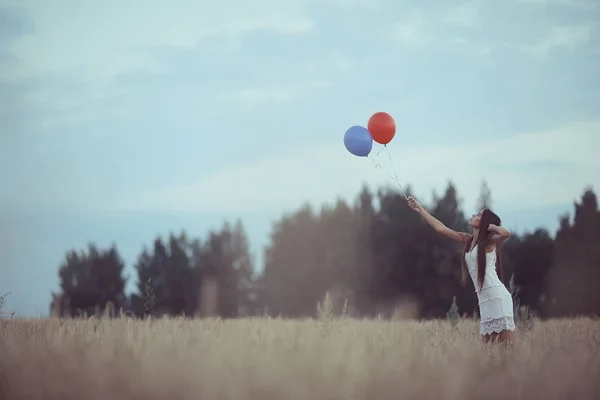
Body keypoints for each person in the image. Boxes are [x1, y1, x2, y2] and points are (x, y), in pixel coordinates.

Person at [407, 196, 515, 344]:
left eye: (478, 215)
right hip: (485, 301)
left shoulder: (489, 243)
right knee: (490, 353)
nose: (473, 215)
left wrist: (488, 226)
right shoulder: (468, 240)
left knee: (507, 349)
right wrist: (420, 209)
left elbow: (506, 233)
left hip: (498, 298)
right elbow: (441, 228)